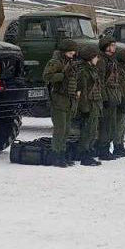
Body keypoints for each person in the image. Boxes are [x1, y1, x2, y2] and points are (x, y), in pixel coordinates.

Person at [43, 39, 79, 167]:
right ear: (64, 52)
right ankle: (56, 155)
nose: (72, 55)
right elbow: (47, 76)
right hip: (58, 100)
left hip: (69, 100)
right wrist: (62, 76)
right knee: (60, 129)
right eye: (70, 53)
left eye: (73, 53)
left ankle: (62, 154)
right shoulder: (55, 62)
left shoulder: (71, 63)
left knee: (66, 129)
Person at [74, 46, 104, 166]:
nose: (97, 59)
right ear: (90, 58)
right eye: (96, 57)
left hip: (94, 104)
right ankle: (85, 155)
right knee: (88, 131)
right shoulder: (84, 71)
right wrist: (84, 108)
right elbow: (82, 91)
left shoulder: (92, 69)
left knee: (92, 131)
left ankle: (87, 153)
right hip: (88, 105)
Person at [95, 37, 122, 161]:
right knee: (105, 126)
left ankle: (107, 148)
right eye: (111, 45)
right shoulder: (102, 61)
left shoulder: (112, 60)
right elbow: (99, 81)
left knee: (111, 125)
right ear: (105, 46)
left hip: (113, 95)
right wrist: (104, 98)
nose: (114, 47)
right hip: (107, 96)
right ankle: (103, 150)